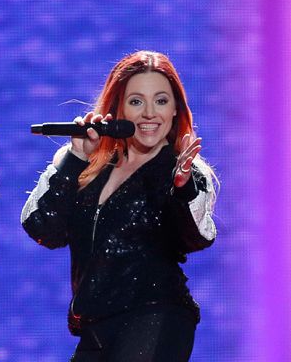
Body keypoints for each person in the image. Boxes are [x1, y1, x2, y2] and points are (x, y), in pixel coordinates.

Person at [21, 50, 217, 361]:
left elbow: (195, 236)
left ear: (175, 110)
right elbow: (43, 228)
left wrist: (183, 185)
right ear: (119, 108)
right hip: (94, 327)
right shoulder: (90, 169)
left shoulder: (183, 172)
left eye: (161, 101)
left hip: (154, 316)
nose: (149, 113)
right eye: (136, 101)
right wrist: (75, 158)